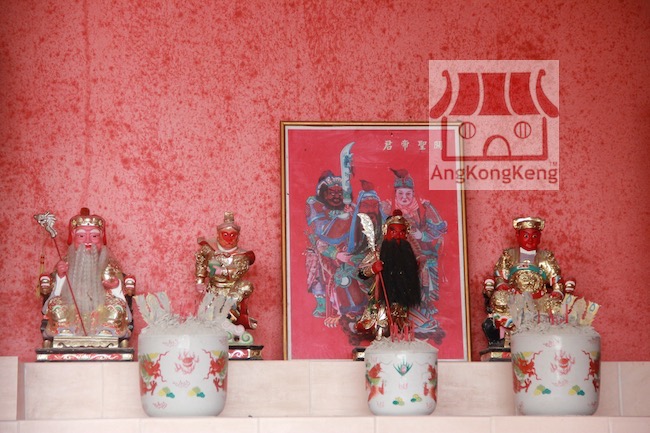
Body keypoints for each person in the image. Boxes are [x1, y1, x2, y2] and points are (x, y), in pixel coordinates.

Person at [39, 208, 134, 340]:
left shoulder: (110, 263)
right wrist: (60, 277)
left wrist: (115, 286)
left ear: (101, 237)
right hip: (71, 308)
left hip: (101, 308)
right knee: (56, 306)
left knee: (116, 308)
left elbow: (121, 294)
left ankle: (105, 332)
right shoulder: (66, 262)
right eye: (82, 236)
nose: (88, 241)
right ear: (73, 237)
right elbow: (56, 293)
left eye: (94, 236)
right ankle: (65, 331)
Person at [383, 168, 447, 342]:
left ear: (413, 194)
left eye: (408, 194)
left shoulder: (422, 209)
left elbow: (438, 231)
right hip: (394, 257)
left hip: (420, 255)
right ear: (395, 194)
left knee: (424, 270)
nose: (404, 197)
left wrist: (422, 236)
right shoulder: (386, 209)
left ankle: (420, 312)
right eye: (400, 194)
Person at [483, 216, 568, 347]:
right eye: (526, 236)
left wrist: (557, 291)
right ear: (518, 236)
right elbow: (500, 275)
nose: (530, 240)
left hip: (539, 299)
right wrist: (502, 285)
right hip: (515, 297)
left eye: (534, 236)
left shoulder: (546, 257)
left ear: (539, 237)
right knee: (498, 298)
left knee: (558, 307)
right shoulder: (509, 255)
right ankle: (507, 335)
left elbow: (556, 278)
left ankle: (547, 339)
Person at [355, 210, 422, 339]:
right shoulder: (378, 254)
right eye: (393, 231)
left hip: (402, 304)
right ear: (386, 232)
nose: (398, 236)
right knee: (381, 329)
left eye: (402, 232)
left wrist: (414, 268)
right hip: (382, 302)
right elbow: (362, 273)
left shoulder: (408, 257)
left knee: (399, 331)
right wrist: (373, 269)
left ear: (406, 234)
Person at [195, 211, 257, 329]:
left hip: (232, 289)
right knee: (209, 317)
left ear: (237, 237)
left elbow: (240, 270)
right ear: (219, 235)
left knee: (246, 287)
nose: (229, 239)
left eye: (233, 235)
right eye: (225, 234)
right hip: (214, 288)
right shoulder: (209, 249)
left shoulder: (242, 255)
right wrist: (200, 281)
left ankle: (230, 317)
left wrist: (222, 271)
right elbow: (201, 262)